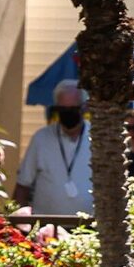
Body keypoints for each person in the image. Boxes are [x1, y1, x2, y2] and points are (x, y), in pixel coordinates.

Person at [14, 80, 94, 218]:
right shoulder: (41, 138)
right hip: (45, 228)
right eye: (63, 110)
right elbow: (23, 185)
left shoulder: (98, 138)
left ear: (84, 108)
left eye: (73, 109)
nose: (68, 114)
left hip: (89, 228)